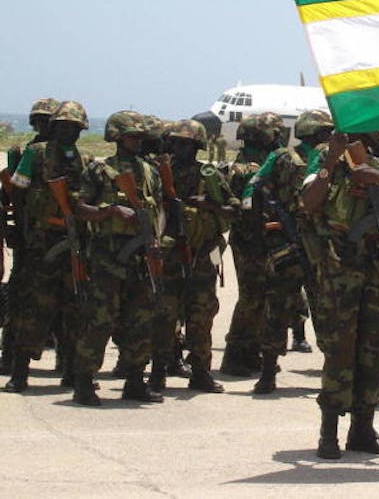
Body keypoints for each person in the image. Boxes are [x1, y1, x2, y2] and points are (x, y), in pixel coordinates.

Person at [301, 129, 379, 459]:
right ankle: (328, 433)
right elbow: (309, 201)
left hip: (373, 268)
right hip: (338, 269)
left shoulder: (375, 164)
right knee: (340, 350)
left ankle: (363, 429)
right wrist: (331, 159)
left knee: (374, 350)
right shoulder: (324, 157)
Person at [73, 111, 164, 406]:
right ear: (116, 137)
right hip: (108, 255)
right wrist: (110, 211)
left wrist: (157, 242)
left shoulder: (149, 171)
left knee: (141, 320)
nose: (136, 141)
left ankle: (135, 380)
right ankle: (84, 382)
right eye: (131, 136)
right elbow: (79, 208)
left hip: (141, 255)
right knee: (100, 320)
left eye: (139, 136)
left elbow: (158, 210)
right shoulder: (101, 170)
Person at [4, 101, 87, 392]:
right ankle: (20, 371)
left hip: (71, 243)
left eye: (74, 128)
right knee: (34, 308)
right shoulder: (36, 153)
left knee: (73, 308)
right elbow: (17, 190)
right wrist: (21, 229)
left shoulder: (81, 158)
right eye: (64, 126)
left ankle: (71, 370)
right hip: (41, 243)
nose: (69, 132)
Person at [245, 110, 330, 394]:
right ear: (316, 134)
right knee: (284, 308)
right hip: (295, 245)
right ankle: (268, 373)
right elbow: (253, 192)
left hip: (313, 245)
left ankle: (273, 374)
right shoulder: (285, 157)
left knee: (308, 309)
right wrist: (267, 233)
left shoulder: (324, 158)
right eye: (325, 133)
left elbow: (252, 192)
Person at [158, 119, 239, 393]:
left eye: (187, 144)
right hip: (171, 255)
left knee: (201, 317)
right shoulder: (161, 175)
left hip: (204, 255)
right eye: (177, 143)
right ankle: (160, 369)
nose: (181, 149)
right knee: (165, 315)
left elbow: (233, 210)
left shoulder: (209, 176)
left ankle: (201, 371)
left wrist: (211, 204)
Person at [1, 98, 60, 375]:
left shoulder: (67, 154)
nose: (41, 125)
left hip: (59, 236)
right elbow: (15, 192)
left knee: (65, 299)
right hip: (32, 236)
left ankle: (68, 362)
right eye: (38, 121)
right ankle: (11, 356)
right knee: (22, 296)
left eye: (46, 121)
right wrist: (16, 229)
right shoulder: (29, 153)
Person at [220, 114, 282, 377]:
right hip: (249, 241)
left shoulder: (262, 165)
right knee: (251, 297)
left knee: (261, 297)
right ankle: (236, 353)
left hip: (261, 239)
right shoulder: (246, 169)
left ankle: (251, 351)